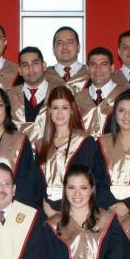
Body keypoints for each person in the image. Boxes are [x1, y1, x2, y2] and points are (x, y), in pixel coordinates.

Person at [36, 86, 97, 216]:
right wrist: (46, 207)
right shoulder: (40, 145)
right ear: (49, 111)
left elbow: (87, 182)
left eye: (64, 107)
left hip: (77, 209)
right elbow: (38, 183)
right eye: (55, 108)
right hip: (46, 210)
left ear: (72, 110)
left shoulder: (84, 141)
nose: (59, 113)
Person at [8, 46, 58, 146]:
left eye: (35, 63)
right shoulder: (8, 96)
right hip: (17, 153)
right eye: (25, 65)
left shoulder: (59, 93)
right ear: (20, 70)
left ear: (44, 65)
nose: (30, 69)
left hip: (52, 153)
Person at [74, 47, 128, 138]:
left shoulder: (126, 96)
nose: (98, 69)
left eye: (103, 64)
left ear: (112, 68)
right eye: (93, 64)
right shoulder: (77, 99)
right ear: (87, 69)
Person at [43, 26, 89, 93]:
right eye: (60, 43)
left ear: (78, 47)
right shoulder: (44, 75)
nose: (65, 47)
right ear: (53, 49)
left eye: (70, 42)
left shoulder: (90, 73)